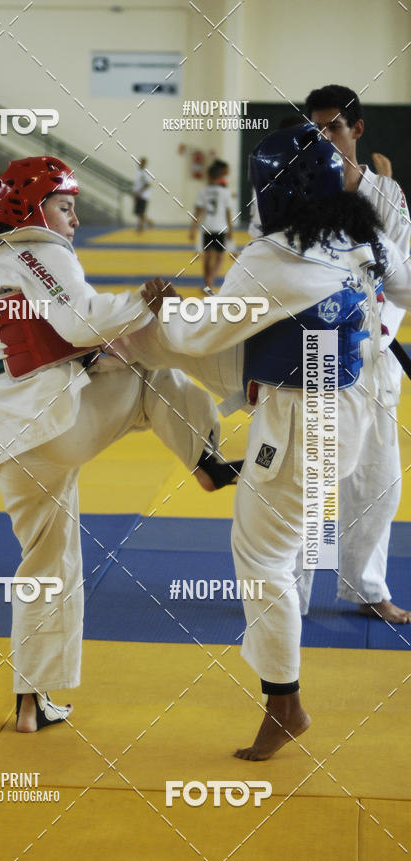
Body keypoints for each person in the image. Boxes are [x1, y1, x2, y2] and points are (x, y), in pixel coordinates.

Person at [0, 156, 240, 733]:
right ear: (32, 211)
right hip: (53, 424)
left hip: (5, 433)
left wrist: (16, 323)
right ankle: (205, 457)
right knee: (150, 368)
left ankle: (31, 700)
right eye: (66, 208)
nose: (74, 221)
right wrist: (142, 302)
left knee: (45, 563)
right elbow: (79, 321)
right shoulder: (40, 251)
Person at [144, 124, 411, 759]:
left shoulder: (275, 255)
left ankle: (285, 703)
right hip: (347, 409)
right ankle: (286, 693)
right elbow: (401, 287)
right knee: (278, 548)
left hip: (299, 422)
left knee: (263, 557)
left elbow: (198, 337)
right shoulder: (361, 236)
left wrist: (169, 306)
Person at [299, 84, 411, 623]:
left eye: (334, 127)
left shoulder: (387, 196)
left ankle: (366, 587)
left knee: (379, 480)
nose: (324, 138)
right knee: (311, 480)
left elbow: (402, 275)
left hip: (377, 357)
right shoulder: (297, 190)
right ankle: (285, 591)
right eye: (316, 129)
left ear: (356, 129)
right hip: (320, 352)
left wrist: (380, 336)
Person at [189, 161, 233, 291]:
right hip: (221, 227)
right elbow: (228, 212)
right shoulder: (225, 192)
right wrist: (230, 230)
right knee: (219, 257)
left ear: (208, 176)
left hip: (207, 227)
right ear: (220, 177)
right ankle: (211, 280)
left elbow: (197, 212)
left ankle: (207, 282)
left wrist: (192, 228)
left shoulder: (202, 191)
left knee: (207, 257)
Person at [132, 157, 154, 232]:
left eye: (142, 163)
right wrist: (134, 193)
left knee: (141, 212)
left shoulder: (145, 173)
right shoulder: (138, 172)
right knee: (138, 213)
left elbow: (147, 184)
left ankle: (144, 225)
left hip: (144, 195)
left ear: (145, 164)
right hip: (138, 194)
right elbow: (136, 184)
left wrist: (139, 193)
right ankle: (145, 224)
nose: (140, 164)